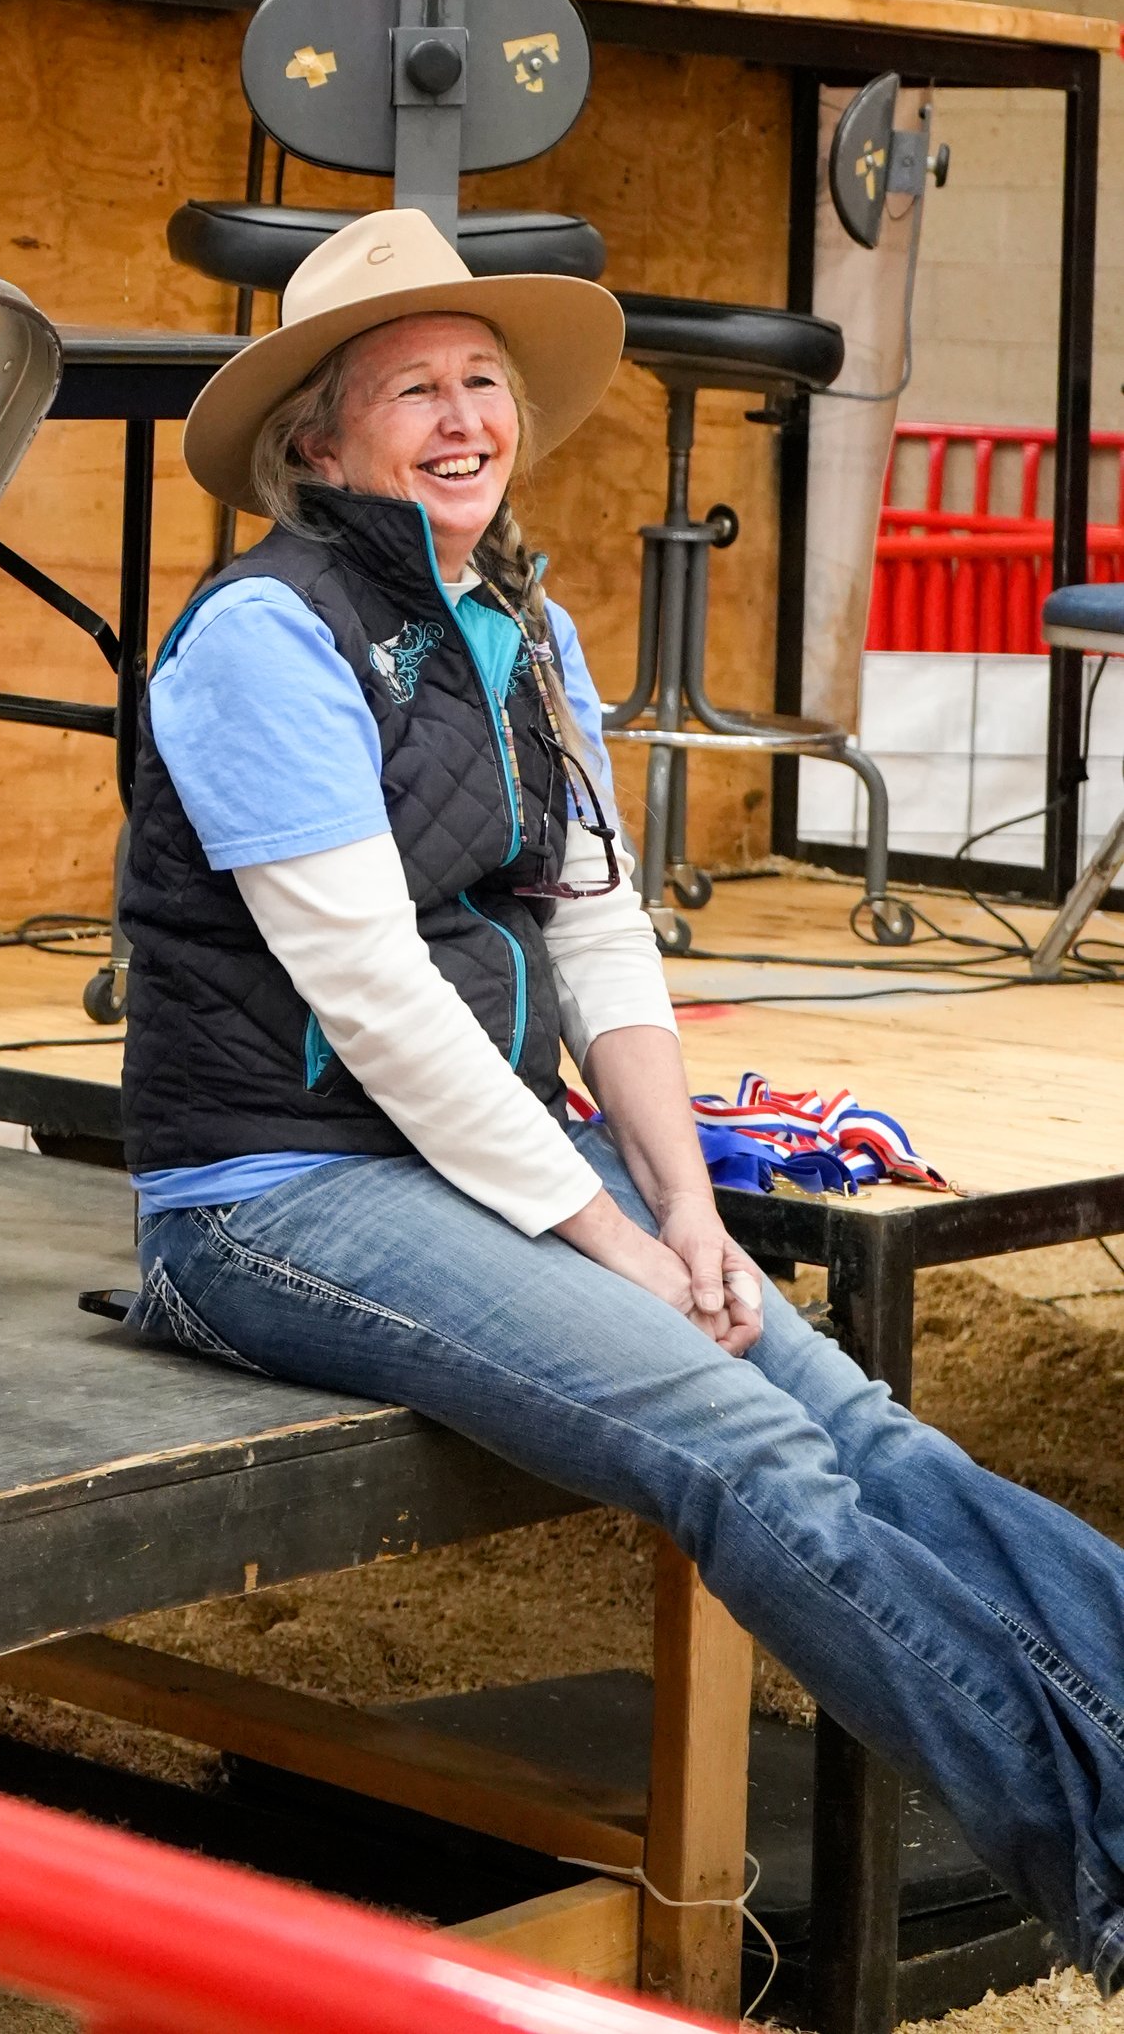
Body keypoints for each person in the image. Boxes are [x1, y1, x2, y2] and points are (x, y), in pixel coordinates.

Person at [120, 206, 1124, 1989]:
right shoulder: (262, 635)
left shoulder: (528, 621)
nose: (460, 415)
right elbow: (380, 1000)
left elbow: (602, 941)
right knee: (747, 1450)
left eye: (483, 380)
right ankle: (1102, 1867)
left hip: (485, 1158)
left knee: (865, 1424)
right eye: (410, 386)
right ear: (320, 442)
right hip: (273, 1193)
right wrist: (598, 1224)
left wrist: (685, 1206)